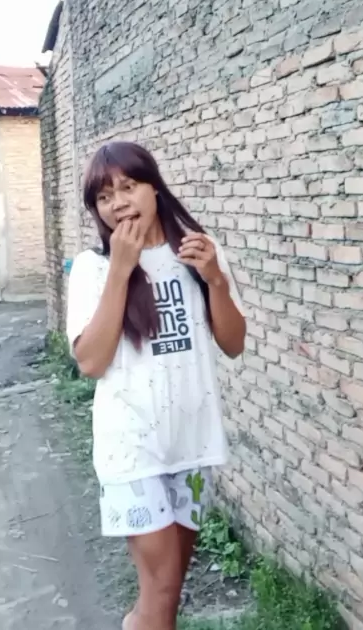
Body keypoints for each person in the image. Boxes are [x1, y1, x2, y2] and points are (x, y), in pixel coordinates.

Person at [66, 140, 246, 630]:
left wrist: (216, 280)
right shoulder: (92, 268)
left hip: (192, 443)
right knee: (163, 588)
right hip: (131, 449)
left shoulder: (196, 254)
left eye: (128, 187)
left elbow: (233, 344)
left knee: (166, 594)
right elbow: (91, 362)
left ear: (154, 188)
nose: (118, 203)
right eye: (104, 197)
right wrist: (121, 270)